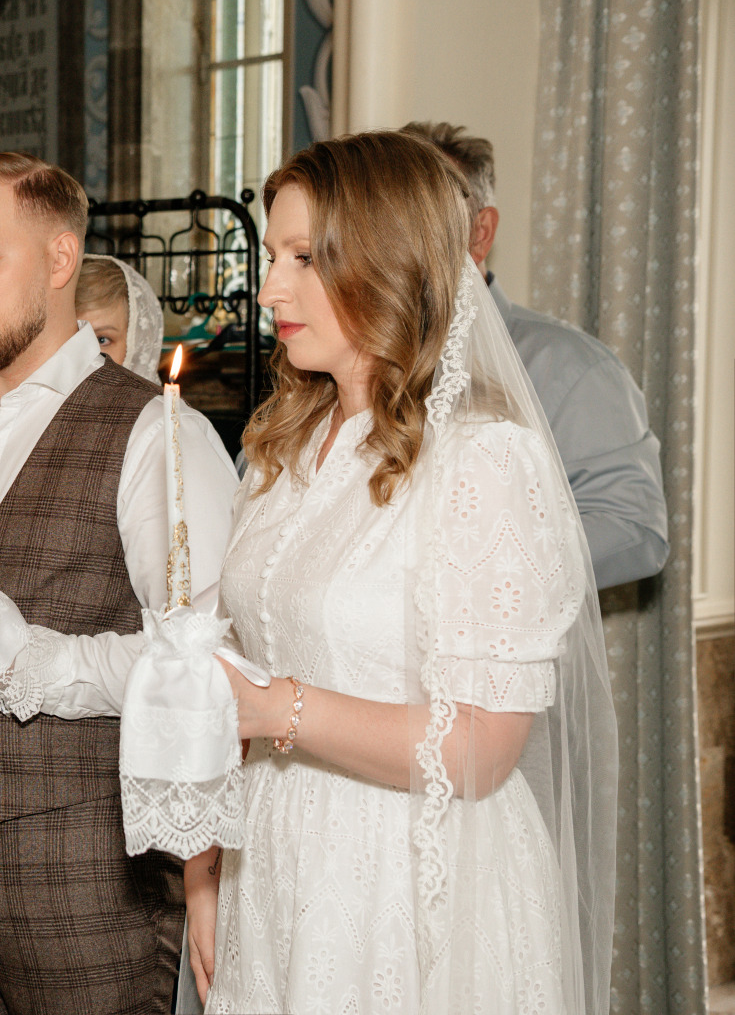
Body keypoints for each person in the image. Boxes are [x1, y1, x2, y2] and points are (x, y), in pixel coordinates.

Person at [186, 131, 616, 1013]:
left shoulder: (483, 462)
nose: (268, 289)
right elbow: (230, 665)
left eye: (304, 258)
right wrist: (204, 878)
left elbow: (481, 751)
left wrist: (277, 709)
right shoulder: (284, 446)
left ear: (386, 264)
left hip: (406, 878)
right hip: (271, 853)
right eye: (272, 256)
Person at [0, 152, 237, 1014]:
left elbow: (206, 670)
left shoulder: (155, 433)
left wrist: (27, 657)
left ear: (60, 261)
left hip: (81, 878)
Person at [403, 120, 667, 589]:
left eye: (423, 219)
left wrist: (467, 570)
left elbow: (633, 528)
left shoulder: (577, 369)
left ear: (480, 232)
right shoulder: (338, 364)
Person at [76, 254, 163, 381]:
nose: (82, 356)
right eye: (69, 340)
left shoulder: (159, 401)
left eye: (101, 340)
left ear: (136, 347)